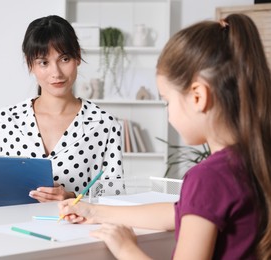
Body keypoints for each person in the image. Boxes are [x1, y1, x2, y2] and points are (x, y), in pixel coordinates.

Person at [59, 13, 271, 259]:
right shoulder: (255, 159)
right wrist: (94, 211)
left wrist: (125, 247)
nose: (168, 113)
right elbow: (179, 212)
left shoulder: (209, 178)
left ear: (198, 97)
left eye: (167, 101)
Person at [0, 15, 125, 202]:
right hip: (11, 228)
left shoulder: (104, 124)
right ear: (30, 64)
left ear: (78, 57)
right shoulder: (4, 121)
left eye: (64, 59)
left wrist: (73, 198)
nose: (56, 73)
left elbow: (115, 195)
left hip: (77, 229)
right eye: (44, 62)